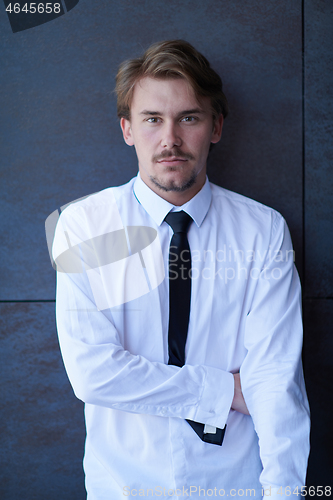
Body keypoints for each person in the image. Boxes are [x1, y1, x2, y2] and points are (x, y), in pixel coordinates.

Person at [52, 40, 310, 499]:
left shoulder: (264, 231)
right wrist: (225, 391)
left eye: (188, 117)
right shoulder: (83, 226)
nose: (169, 138)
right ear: (127, 129)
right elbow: (93, 374)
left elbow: (273, 381)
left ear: (216, 126)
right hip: (123, 488)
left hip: (235, 487)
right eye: (152, 119)